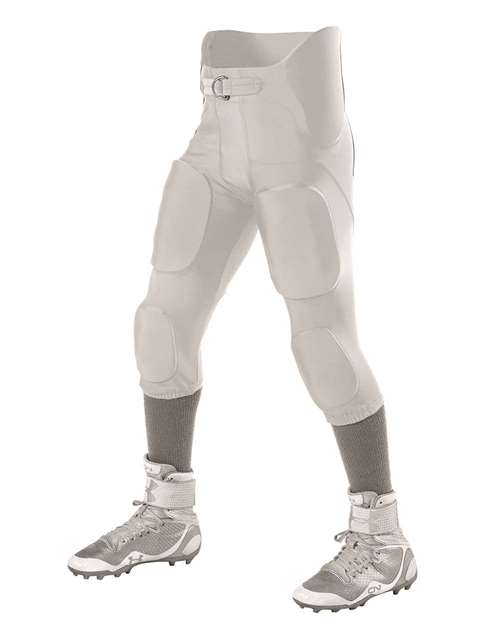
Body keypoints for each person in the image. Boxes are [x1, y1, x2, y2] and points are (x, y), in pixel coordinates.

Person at [68, 27, 417, 612]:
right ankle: (169, 515)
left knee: (324, 344)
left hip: (300, 137)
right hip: (216, 130)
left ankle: (383, 540)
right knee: (160, 324)